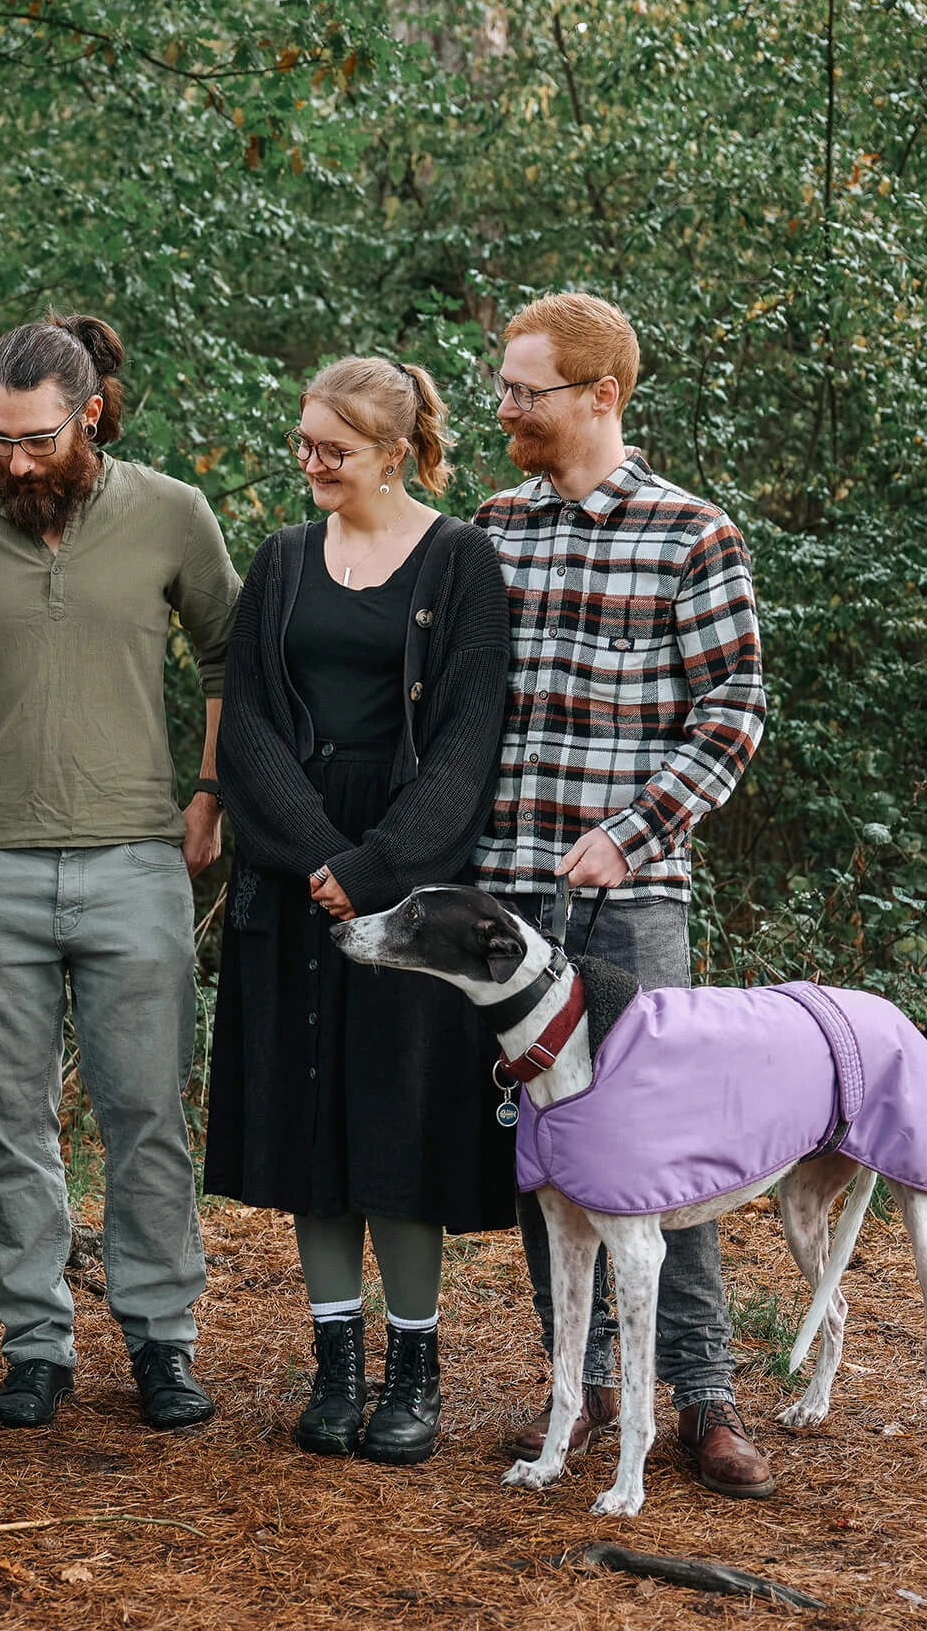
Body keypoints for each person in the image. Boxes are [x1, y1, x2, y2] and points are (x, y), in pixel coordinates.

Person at [470, 291, 772, 1496]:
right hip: (502, 905)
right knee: (549, 1155)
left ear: (600, 395)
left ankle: (704, 1397)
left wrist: (634, 831)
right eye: (499, 386)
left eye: (523, 391)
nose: (502, 407)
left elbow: (732, 709)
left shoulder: (691, 534)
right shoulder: (489, 526)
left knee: (657, 1155)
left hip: (630, 902)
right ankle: (585, 1388)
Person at [0, 316, 238, 1431]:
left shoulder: (170, 513)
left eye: (36, 440)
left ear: (88, 414)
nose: (12, 461)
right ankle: (35, 1344)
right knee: (9, 1122)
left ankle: (161, 1340)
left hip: (135, 861)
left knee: (145, 1112)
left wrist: (207, 794)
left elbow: (228, 652)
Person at [207, 357, 515, 1465]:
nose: (308, 463)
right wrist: (317, 857)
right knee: (306, 1117)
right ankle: (333, 1364)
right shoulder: (282, 559)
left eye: (331, 448)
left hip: (412, 881)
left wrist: (378, 867)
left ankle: (413, 1368)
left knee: (397, 1117)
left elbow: (469, 739)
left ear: (395, 450)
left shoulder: (461, 560)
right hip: (295, 869)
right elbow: (246, 723)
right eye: (302, 441)